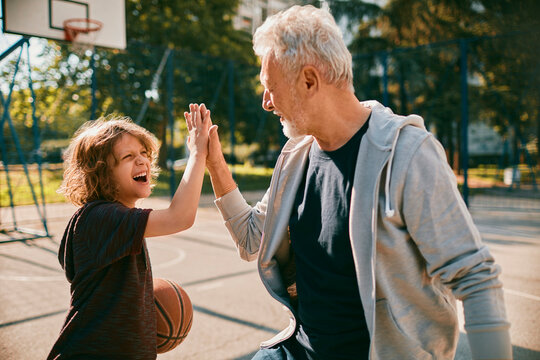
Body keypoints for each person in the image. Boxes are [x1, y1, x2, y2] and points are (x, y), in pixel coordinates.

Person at [204, 5, 511, 360]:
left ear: (309, 81)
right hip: (300, 349)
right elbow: (251, 240)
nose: (266, 102)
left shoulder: (408, 154)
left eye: (270, 88)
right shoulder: (296, 156)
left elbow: (476, 278)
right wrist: (214, 163)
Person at [47, 104, 211, 359]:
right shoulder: (99, 217)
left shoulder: (115, 219)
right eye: (127, 157)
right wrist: (198, 153)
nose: (142, 160)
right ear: (102, 173)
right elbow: (179, 218)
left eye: (144, 153)